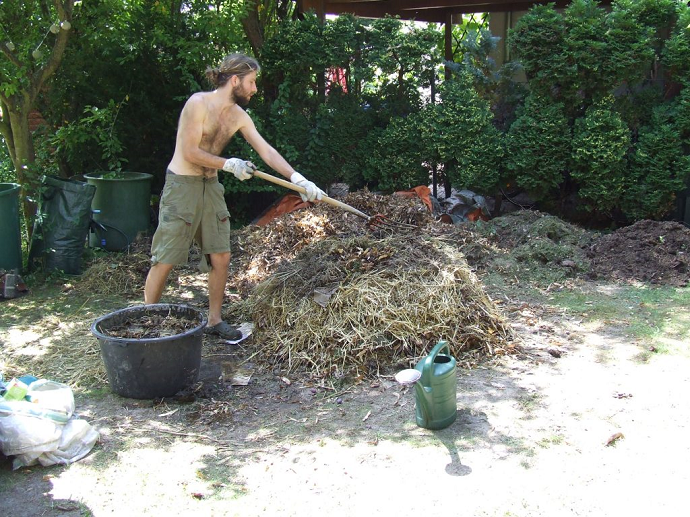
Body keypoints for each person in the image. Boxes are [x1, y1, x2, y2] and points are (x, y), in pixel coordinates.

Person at [144, 53, 325, 340]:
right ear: (235, 80)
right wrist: (228, 163)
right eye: (252, 82)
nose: (254, 89)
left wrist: (298, 178)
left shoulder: (239, 116)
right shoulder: (198, 103)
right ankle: (146, 319)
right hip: (182, 185)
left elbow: (266, 151)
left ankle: (214, 321)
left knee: (222, 255)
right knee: (165, 256)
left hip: (211, 187)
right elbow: (190, 151)